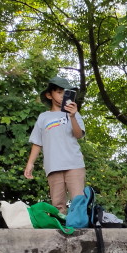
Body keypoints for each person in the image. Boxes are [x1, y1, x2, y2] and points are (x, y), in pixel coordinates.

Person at [24, 76, 86, 214]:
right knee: (58, 206)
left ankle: (81, 233)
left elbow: (78, 134)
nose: (62, 95)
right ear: (49, 95)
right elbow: (37, 142)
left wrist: (72, 116)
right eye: (59, 92)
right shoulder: (43, 117)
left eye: (65, 92)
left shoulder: (74, 114)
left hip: (74, 164)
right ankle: (62, 234)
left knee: (78, 203)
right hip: (53, 166)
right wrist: (30, 164)